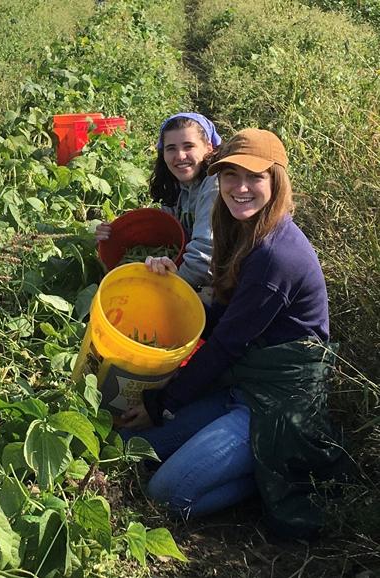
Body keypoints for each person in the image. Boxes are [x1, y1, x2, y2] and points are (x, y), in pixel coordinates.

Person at [119, 129, 346, 539]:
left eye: (254, 177)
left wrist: (162, 403)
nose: (240, 188)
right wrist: (172, 290)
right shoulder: (238, 228)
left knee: (165, 493)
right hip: (240, 381)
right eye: (230, 176)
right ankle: (235, 461)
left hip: (272, 402)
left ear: (276, 182)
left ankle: (260, 476)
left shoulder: (277, 256)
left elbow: (224, 343)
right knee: (131, 449)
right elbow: (221, 316)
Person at [96, 112, 221, 291]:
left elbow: (205, 255)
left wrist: (164, 286)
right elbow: (165, 232)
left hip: (222, 284)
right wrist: (114, 234)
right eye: (171, 148)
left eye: (188, 146)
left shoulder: (215, 183)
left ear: (209, 148)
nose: (180, 155)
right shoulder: (177, 185)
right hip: (196, 276)